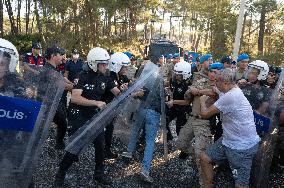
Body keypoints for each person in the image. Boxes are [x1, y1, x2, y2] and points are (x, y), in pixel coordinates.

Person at [54, 47, 121, 187]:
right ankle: (60, 173)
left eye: (106, 63)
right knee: (76, 146)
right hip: (79, 114)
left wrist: (129, 89)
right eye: (102, 64)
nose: (105, 66)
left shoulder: (106, 76)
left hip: (94, 116)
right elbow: (75, 98)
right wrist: (96, 102)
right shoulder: (82, 75)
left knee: (100, 144)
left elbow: (117, 92)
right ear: (93, 63)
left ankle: (99, 173)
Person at [199, 68, 260, 188]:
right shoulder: (232, 89)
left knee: (240, 185)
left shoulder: (231, 97)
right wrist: (210, 89)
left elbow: (205, 114)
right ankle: (208, 185)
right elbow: (217, 91)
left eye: (218, 81)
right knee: (204, 158)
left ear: (226, 83)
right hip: (228, 140)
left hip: (241, 147)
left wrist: (202, 100)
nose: (215, 83)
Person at [176, 53, 216, 185]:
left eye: (211, 60)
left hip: (204, 122)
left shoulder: (216, 81)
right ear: (202, 63)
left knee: (201, 154)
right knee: (181, 143)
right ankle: (197, 159)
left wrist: (198, 91)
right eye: (208, 60)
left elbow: (215, 94)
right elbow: (188, 97)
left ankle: (204, 183)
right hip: (192, 118)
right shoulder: (197, 77)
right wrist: (190, 92)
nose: (210, 62)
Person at [121, 65, 161, 183]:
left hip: (142, 110)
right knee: (150, 141)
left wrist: (128, 92)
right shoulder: (159, 80)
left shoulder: (145, 80)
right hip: (153, 113)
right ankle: (145, 170)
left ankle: (129, 152)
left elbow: (139, 93)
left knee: (134, 132)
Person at [43, 47, 74, 149]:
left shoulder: (52, 69)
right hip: (49, 104)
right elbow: (63, 86)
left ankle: (59, 144)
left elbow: (62, 79)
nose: (62, 57)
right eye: (60, 55)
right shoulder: (49, 71)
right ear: (53, 56)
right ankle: (58, 144)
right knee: (61, 123)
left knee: (62, 123)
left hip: (54, 103)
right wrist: (78, 87)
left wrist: (72, 83)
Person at [102, 52, 131, 158]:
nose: (126, 69)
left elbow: (130, 82)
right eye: (124, 67)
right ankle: (105, 152)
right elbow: (117, 93)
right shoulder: (110, 76)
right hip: (105, 107)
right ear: (117, 66)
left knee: (109, 129)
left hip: (111, 107)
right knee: (107, 130)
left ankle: (106, 150)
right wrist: (127, 90)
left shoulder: (120, 76)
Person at [165, 61, 192, 141]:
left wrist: (173, 102)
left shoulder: (189, 85)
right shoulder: (174, 80)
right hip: (174, 107)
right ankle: (169, 137)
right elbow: (168, 85)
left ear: (185, 74)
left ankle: (183, 148)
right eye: (175, 74)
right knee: (165, 120)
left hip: (183, 110)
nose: (176, 76)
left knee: (179, 130)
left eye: (178, 75)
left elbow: (187, 102)